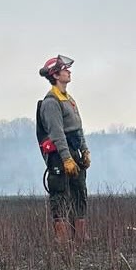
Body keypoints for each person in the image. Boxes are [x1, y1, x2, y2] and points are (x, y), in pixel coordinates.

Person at [36, 54, 90, 242]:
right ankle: (63, 240)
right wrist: (66, 159)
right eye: (64, 69)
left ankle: (80, 238)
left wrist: (84, 150)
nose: (68, 71)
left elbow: (78, 128)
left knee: (79, 192)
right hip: (60, 155)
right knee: (60, 194)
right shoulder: (51, 102)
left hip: (74, 151)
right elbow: (57, 134)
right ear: (56, 75)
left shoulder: (69, 99)